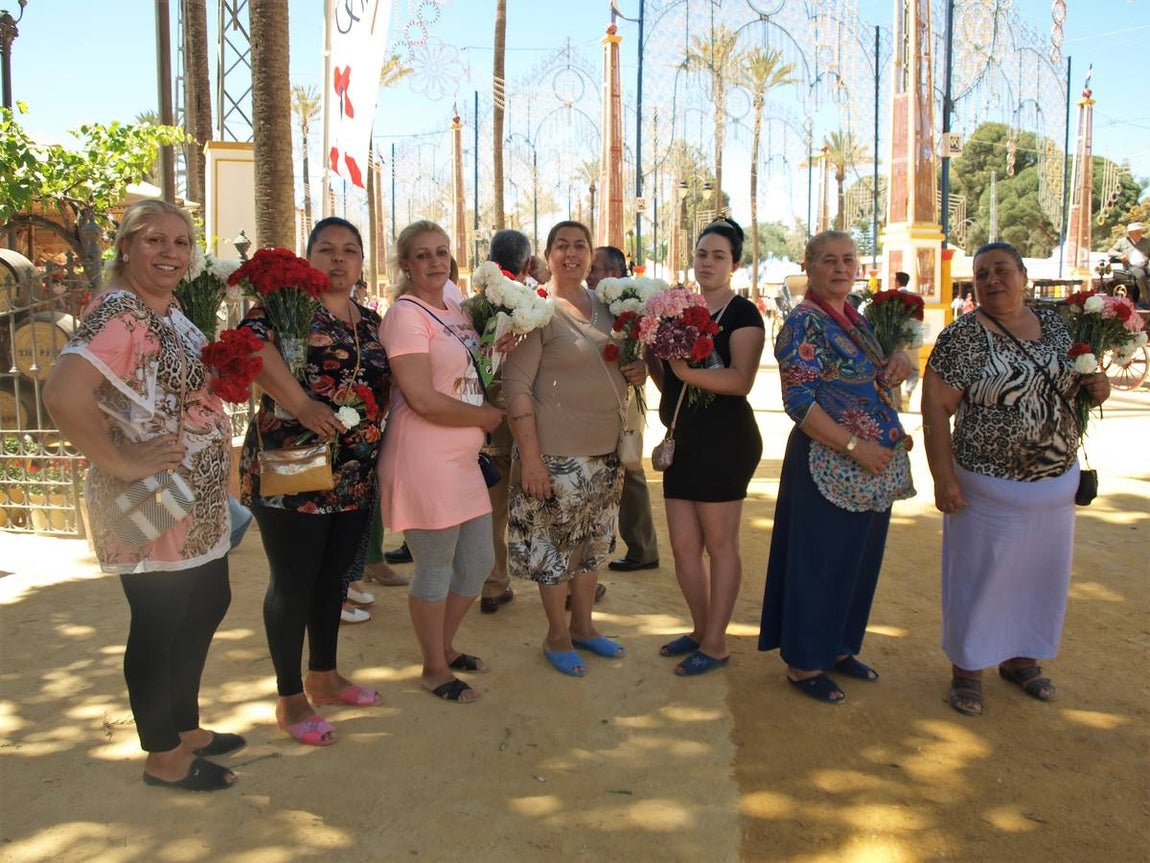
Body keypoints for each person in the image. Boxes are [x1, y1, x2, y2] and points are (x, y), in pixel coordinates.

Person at [44, 199, 239, 791]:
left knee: (206, 602)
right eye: (154, 240)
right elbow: (62, 394)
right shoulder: (121, 315)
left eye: (180, 242)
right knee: (159, 622)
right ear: (125, 247)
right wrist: (119, 461)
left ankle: (182, 726)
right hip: (154, 500)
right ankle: (163, 756)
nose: (170, 253)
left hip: (193, 496)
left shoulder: (167, 308)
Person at [922, 241, 1111, 717]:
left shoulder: (1058, 325)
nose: (991, 280)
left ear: (1023, 276)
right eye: (982, 273)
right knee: (978, 579)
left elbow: (1084, 384)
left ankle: (1020, 659)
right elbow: (935, 408)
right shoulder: (963, 336)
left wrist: (1100, 386)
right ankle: (967, 670)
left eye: (1001, 270)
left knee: (1037, 579)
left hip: (1054, 486)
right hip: (985, 489)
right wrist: (943, 477)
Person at [238, 217, 390, 746]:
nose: (339, 259)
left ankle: (323, 675)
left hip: (352, 474)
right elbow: (250, 350)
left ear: (362, 262)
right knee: (293, 582)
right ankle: (289, 697)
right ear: (308, 258)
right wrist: (300, 403)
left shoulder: (371, 323)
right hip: (290, 470)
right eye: (326, 249)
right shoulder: (282, 309)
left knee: (334, 580)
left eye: (350, 250)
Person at [758, 230, 915, 704]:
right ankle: (806, 662)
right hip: (828, 461)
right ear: (809, 266)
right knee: (819, 561)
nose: (841, 268)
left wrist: (900, 359)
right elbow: (799, 404)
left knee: (857, 559)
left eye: (848, 259)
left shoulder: (855, 319)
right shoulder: (803, 324)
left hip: (869, 466)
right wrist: (854, 446)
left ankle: (840, 646)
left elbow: (876, 371)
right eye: (829, 260)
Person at [502, 221, 646, 677]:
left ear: (590, 254)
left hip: (605, 455)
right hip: (554, 458)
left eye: (580, 245)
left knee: (593, 548)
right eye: (561, 245)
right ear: (547, 255)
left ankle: (584, 627)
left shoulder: (608, 306)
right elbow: (516, 386)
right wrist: (530, 458)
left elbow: (619, 364)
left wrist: (637, 369)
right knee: (554, 552)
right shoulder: (535, 309)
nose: (571, 253)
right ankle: (557, 635)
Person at [378, 220, 503, 703]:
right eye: (423, 255)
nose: (435, 262)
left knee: (477, 561)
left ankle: (445, 647)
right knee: (435, 567)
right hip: (423, 456)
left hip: (462, 455)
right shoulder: (405, 316)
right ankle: (433, 666)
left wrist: (496, 348)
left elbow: (466, 369)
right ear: (406, 265)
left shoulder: (453, 303)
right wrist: (489, 416)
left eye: (441, 253)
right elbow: (423, 399)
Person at [650, 219, 764, 675]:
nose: (708, 263)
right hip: (685, 440)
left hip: (726, 440)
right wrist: (653, 364)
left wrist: (683, 371)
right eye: (701, 254)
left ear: (734, 263)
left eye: (718, 256)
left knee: (720, 545)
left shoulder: (744, 314)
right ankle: (702, 629)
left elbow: (740, 380)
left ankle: (717, 643)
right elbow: (669, 384)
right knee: (682, 547)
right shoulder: (676, 310)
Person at [588, 244, 661, 575]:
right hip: (590, 404)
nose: (590, 274)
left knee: (629, 466)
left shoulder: (636, 305)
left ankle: (643, 548)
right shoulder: (584, 303)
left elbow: (653, 349)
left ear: (615, 273)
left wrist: (641, 365)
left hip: (626, 401)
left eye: (596, 268)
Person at [478, 229, 533, 615]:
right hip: (533, 425)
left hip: (485, 424)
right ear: (528, 265)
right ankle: (563, 584)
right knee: (545, 504)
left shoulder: (469, 307)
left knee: (493, 509)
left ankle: (493, 583)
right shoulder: (539, 308)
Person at [1106, 221, 1149, 306]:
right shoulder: (1123, 241)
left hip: (1146, 265)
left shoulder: (1147, 241)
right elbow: (1110, 251)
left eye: (1139, 231)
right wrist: (1120, 255)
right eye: (1136, 232)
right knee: (1141, 276)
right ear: (1130, 233)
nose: (1138, 234)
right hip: (1132, 266)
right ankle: (1147, 301)